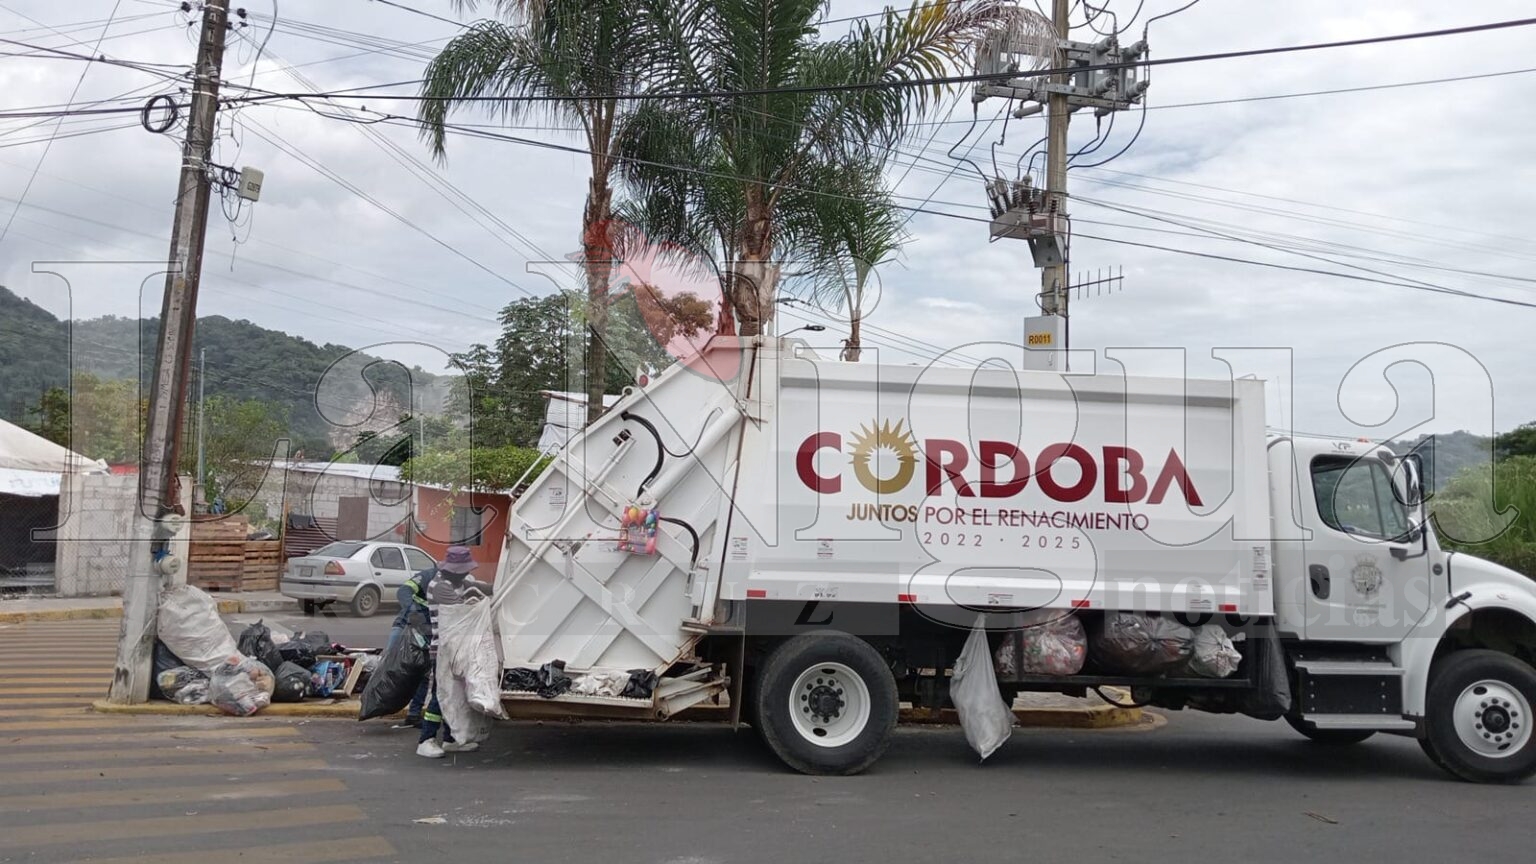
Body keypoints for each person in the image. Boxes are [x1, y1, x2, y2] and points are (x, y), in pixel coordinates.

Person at [417, 546, 491, 759]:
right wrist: (478, 600)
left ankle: (451, 739)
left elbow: (484, 588)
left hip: (457, 649)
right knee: (441, 694)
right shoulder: (441, 586)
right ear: (451, 570)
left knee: (456, 694)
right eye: (462, 571)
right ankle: (426, 739)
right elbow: (463, 611)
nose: (464, 574)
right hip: (443, 650)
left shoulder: (459, 583)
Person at [388, 566, 433, 728]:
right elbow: (403, 591)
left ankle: (413, 714)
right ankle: (378, 702)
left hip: (427, 633)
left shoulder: (458, 584)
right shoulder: (427, 576)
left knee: (423, 674)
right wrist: (414, 612)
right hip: (405, 627)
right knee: (391, 668)